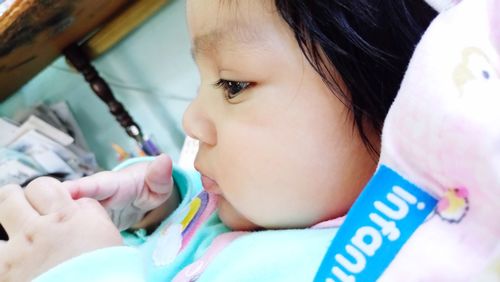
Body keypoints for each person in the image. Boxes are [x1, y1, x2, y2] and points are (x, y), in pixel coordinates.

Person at [0, 0, 436, 281]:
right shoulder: (269, 210)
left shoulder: (375, 263)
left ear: (400, 93)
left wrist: (76, 272)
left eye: (232, 84)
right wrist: (162, 210)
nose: (191, 120)